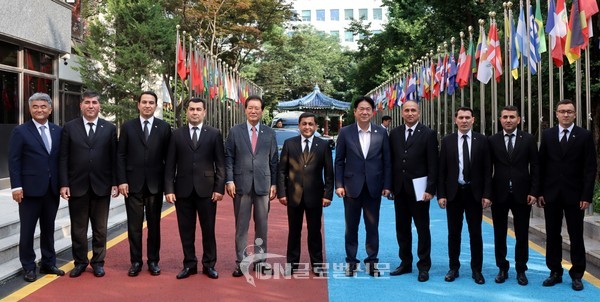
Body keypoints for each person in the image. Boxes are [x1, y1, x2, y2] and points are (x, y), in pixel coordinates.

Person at [538, 99, 596, 291]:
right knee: (552, 234)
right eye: (562, 111)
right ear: (556, 114)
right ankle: (555, 272)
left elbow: (590, 168)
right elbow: (540, 166)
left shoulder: (584, 136)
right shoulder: (547, 135)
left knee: (576, 235)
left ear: (575, 114)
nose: (565, 115)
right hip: (551, 194)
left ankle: (577, 274)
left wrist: (587, 195)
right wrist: (539, 192)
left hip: (575, 195)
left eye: (569, 111)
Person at [59, 91, 119, 278]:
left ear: (99, 106)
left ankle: (98, 262)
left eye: (94, 102)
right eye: (87, 102)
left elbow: (114, 157)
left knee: (100, 229)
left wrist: (115, 182)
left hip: (102, 185)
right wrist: (64, 183)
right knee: (78, 229)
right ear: (81, 105)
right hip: (77, 186)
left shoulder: (109, 128)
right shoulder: (69, 127)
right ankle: (80, 262)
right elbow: (63, 157)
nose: (91, 106)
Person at [165, 98, 225, 280]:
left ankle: (209, 265)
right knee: (186, 230)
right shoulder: (176, 134)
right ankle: (189, 264)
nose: (195, 112)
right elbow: (169, 164)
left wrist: (219, 188)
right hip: (182, 190)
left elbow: (220, 164)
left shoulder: (214, 134)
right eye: (191, 109)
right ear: (187, 112)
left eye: (198, 109)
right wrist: (169, 189)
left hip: (207, 191)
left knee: (208, 230)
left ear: (204, 112)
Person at [8, 93, 65, 282]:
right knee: (28, 230)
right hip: (29, 190)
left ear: (50, 109)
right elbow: (14, 161)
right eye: (35, 107)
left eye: (43, 106)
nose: (39, 109)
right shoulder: (21, 131)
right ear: (30, 109)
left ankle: (48, 263)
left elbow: (60, 160)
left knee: (48, 229)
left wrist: (63, 184)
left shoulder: (58, 131)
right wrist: (16, 187)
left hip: (51, 189)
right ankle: (29, 266)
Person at [335, 96, 392, 277]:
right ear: (355, 112)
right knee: (351, 227)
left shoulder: (381, 133)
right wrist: (339, 184)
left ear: (373, 112)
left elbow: (387, 162)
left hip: (374, 187)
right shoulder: (345, 132)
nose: (365, 112)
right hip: (351, 187)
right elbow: (339, 161)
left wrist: (387, 185)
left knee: (372, 226)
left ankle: (372, 262)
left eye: (368, 109)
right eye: (361, 109)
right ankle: (351, 262)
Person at [117, 91, 172, 277]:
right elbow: (121, 155)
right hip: (132, 185)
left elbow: (169, 159)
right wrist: (122, 180)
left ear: (156, 105)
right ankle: (136, 262)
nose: (148, 105)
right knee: (134, 226)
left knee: (154, 226)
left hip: (155, 186)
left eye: (151, 102)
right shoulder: (128, 126)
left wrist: (167, 186)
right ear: (138, 105)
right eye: (144, 102)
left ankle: (153, 261)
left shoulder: (164, 127)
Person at [437, 107, 491, 285]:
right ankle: (454, 268)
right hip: (454, 194)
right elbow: (442, 170)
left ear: (473, 120)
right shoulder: (447, 141)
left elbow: (487, 170)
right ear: (455, 120)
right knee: (454, 233)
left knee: (475, 233)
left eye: (468, 117)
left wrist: (486, 194)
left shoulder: (482, 141)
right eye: (461, 117)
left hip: (474, 194)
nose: (464, 120)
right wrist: (441, 194)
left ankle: (477, 270)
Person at [225, 95, 278, 277]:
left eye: (257, 108)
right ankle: (240, 261)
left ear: (262, 111)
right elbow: (229, 158)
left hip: (263, 185)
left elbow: (274, 161)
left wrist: (275, 184)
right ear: (245, 110)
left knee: (262, 225)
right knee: (241, 226)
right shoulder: (235, 131)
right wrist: (229, 180)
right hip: (241, 185)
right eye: (250, 108)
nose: (253, 111)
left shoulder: (270, 133)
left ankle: (260, 261)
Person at [277, 112, 334, 276]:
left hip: (316, 196)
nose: (307, 127)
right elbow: (281, 171)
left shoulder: (323, 145)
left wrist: (327, 195)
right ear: (299, 126)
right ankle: (292, 264)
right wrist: (282, 193)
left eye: (310, 124)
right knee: (294, 231)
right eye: (304, 124)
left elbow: (329, 173)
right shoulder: (289, 144)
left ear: (316, 126)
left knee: (315, 232)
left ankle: (317, 264)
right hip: (293, 196)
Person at [488, 106, 539, 286]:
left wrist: (534, 191)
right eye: (505, 117)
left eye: (512, 117)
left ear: (519, 119)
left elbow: (536, 167)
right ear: (500, 120)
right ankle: (502, 268)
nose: (508, 120)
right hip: (499, 194)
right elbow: (487, 169)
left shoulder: (528, 139)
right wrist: (487, 194)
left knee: (522, 234)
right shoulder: (492, 140)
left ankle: (521, 269)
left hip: (522, 195)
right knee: (499, 234)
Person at [388, 100, 437, 282]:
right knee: (402, 228)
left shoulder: (428, 134)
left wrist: (431, 189)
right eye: (407, 110)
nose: (410, 113)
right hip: (400, 189)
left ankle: (423, 266)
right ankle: (405, 262)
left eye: (413, 111)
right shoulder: (394, 133)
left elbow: (433, 163)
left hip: (420, 190)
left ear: (419, 113)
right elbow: (391, 162)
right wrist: (390, 186)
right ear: (402, 113)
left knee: (422, 229)